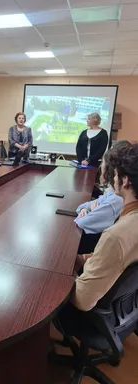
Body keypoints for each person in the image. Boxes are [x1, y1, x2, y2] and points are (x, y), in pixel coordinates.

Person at [55, 143, 138, 337]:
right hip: (125, 310)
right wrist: (84, 258)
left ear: (125, 181)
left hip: (94, 318)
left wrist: (62, 275)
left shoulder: (117, 235)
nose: (112, 178)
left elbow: (82, 300)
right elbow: (122, 259)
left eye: (115, 174)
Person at [74, 149, 124, 235]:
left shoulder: (116, 199)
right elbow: (80, 207)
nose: (101, 166)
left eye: (102, 162)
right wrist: (85, 209)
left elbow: (81, 222)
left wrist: (92, 211)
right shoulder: (113, 193)